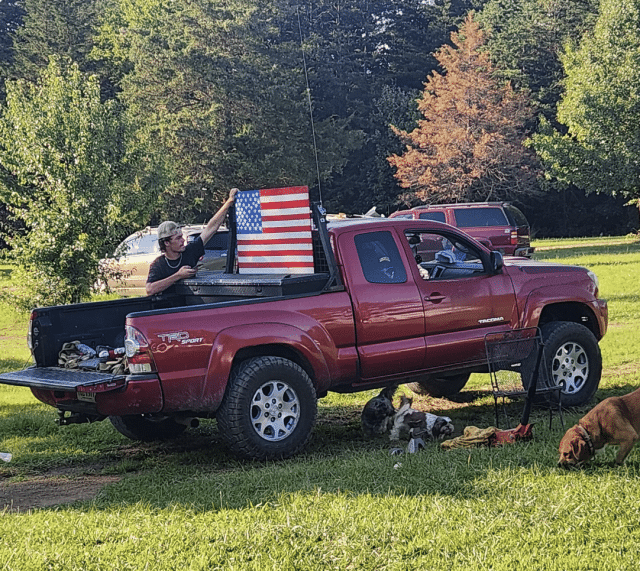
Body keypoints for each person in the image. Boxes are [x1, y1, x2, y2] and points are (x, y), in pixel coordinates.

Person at [146, 188, 239, 295]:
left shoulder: (190, 251)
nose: (183, 240)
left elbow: (211, 228)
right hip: (168, 308)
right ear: (166, 243)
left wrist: (228, 202)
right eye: (178, 238)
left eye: (182, 236)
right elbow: (149, 289)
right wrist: (178, 275)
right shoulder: (158, 265)